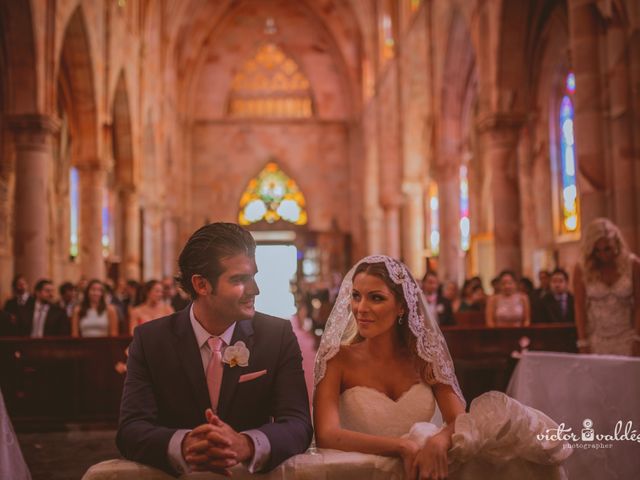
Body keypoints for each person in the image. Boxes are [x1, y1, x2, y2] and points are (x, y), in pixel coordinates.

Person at [313, 255, 570, 479]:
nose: (361, 308)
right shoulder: (336, 359)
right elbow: (327, 434)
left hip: (421, 471)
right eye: (356, 296)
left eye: (376, 298)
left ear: (402, 306)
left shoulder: (424, 357)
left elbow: (458, 419)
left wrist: (440, 439)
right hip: (360, 473)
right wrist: (401, 447)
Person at [116, 222, 312, 475]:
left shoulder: (277, 336)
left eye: (253, 276)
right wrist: (185, 444)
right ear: (201, 285)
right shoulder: (151, 340)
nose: (255, 289)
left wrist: (246, 444)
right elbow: (131, 429)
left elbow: (298, 424)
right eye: (240, 279)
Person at [574, 218, 640, 356]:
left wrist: (637, 338)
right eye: (597, 251)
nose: (603, 255)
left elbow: (639, 304)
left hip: (627, 338)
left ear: (617, 243)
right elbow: (579, 307)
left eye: (607, 249)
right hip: (596, 340)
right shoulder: (582, 268)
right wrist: (582, 342)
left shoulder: (633, 265)